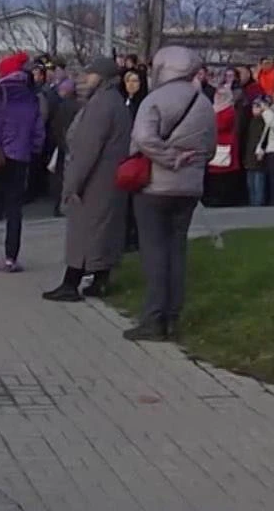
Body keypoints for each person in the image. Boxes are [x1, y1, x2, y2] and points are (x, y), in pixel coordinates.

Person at [126, 46, 213, 341]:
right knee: (177, 250)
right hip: (189, 188)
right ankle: (174, 317)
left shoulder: (154, 100)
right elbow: (210, 149)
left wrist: (168, 158)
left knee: (154, 252)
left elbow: (143, 139)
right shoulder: (203, 104)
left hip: (155, 185)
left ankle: (153, 318)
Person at [46, 59, 132, 302]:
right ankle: (100, 281)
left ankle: (70, 283)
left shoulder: (101, 105)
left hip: (94, 181)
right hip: (109, 178)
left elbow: (86, 148)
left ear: (102, 77)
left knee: (84, 234)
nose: (86, 79)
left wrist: (72, 184)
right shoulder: (115, 102)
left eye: (91, 74)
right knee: (104, 231)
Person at [0, 52, 47, 271]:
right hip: (19, 158)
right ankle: (12, 258)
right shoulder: (31, 98)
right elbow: (38, 133)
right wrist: (30, 151)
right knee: (14, 210)